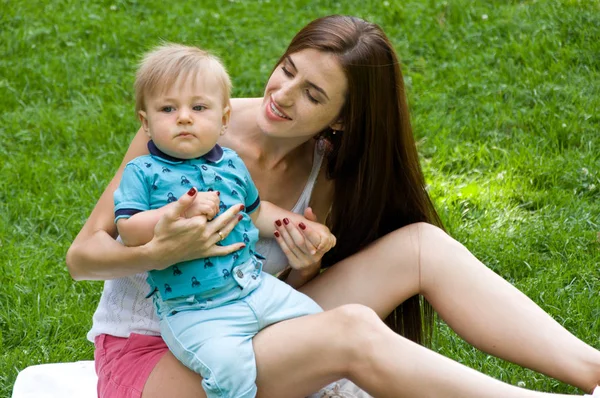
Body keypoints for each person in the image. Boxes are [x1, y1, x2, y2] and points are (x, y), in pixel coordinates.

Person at [66, 15, 600, 398]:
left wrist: (309, 265)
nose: (283, 94)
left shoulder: (326, 173)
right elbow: (82, 258)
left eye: (314, 96)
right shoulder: (184, 128)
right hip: (154, 355)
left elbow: (282, 301)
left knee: (423, 246)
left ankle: (592, 371)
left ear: (340, 121)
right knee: (353, 330)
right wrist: (161, 248)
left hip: (252, 328)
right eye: (288, 69)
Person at [112, 43, 331, 398]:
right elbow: (128, 228)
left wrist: (304, 227)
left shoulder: (229, 164)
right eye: (168, 109)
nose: (183, 117)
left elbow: (257, 212)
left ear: (223, 119)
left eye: (198, 107)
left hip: (256, 287)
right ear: (146, 122)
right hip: (195, 309)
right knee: (230, 371)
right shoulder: (144, 171)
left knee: (320, 326)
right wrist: (172, 216)